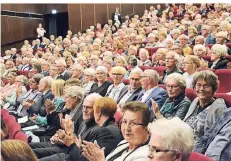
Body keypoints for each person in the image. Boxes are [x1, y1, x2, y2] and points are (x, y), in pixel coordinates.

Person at [82, 101, 152, 161]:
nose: (127, 128)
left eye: (133, 123)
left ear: (146, 128)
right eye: (124, 122)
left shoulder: (147, 155)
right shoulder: (124, 143)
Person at [183, 70, 227, 139]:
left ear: (214, 89)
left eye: (206, 86)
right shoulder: (195, 101)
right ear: (194, 87)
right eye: (199, 85)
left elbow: (218, 137)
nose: (202, 89)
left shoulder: (219, 108)